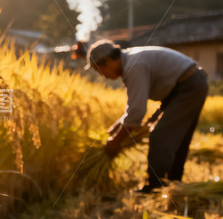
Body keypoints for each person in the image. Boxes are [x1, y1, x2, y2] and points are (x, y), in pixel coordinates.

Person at [85, 39, 209, 193]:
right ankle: (173, 183)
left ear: (109, 61)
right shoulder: (131, 61)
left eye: (100, 70)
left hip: (188, 86)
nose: (102, 76)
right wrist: (115, 129)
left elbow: (136, 111)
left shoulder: (134, 66)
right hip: (186, 86)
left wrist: (116, 141)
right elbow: (133, 111)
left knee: (160, 135)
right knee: (177, 138)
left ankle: (154, 186)